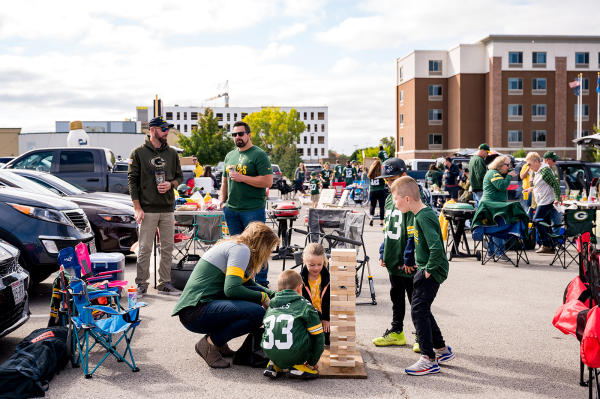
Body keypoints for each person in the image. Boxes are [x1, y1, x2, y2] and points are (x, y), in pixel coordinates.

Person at [172, 222, 279, 369]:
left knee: (253, 306)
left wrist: (274, 295)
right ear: (262, 244)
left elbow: (247, 284)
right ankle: (210, 344)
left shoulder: (237, 246)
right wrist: (263, 297)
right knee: (257, 313)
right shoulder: (241, 250)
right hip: (195, 311)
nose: (269, 254)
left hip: (198, 308)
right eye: (270, 249)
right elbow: (232, 289)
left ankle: (219, 343)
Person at [390, 176, 454, 376]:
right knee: (422, 308)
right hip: (427, 268)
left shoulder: (424, 217)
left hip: (431, 270)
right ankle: (442, 350)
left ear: (407, 199)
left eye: (396, 199)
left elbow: (437, 247)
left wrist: (427, 271)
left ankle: (428, 358)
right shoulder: (419, 215)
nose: (394, 203)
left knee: (418, 311)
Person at [128, 116, 183, 297]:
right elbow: (132, 181)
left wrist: (171, 184)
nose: (167, 132)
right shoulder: (139, 153)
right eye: (163, 129)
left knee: (167, 247)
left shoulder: (172, 153)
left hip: (167, 208)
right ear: (152, 130)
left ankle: (164, 283)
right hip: (148, 208)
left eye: (168, 129)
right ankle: (142, 284)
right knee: (144, 248)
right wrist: (137, 207)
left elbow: (180, 177)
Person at [372, 158, 419, 352]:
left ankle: (420, 334)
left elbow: (413, 228)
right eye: (387, 180)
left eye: (393, 179)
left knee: (414, 299)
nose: (389, 183)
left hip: (406, 256)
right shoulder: (391, 196)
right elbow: (390, 226)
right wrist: (384, 250)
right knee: (396, 295)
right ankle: (397, 331)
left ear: (404, 176)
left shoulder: (411, 194)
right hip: (393, 253)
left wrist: (410, 256)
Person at [221, 121, 273, 286]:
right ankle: (243, 281)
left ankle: (262, 282)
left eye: (240, 134)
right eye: (234, 134)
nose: (237, 137)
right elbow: (224, 181)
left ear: (249, 135)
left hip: (253, 210)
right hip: (232, 210)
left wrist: (243, 178)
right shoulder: (230, 155)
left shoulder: (258, 155)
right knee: (237, 248)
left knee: (258, 247)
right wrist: (222, 202)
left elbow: (268, 181)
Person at [261, 269, 325, 380]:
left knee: (278, 330)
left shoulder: (271, 305)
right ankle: (298, 366)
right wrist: (312, 361)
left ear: (279, 289)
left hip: (269, 352)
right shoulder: (305, 305)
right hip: (295, 353)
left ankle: (274, 364)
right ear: (300, 288)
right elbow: (319, 338)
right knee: (313, 331)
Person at [523, 152, 561, 254]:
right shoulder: (538, 171)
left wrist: (557, 198)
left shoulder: (545, 171)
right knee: (546, 223)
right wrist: (530, 189)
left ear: (536, 161)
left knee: (537, 221)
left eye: (529, 164)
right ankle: (551, 246)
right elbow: (541, 185)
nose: (529, 167)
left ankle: (546, 245)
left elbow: (555, 185)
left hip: (547, 201)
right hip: (542, 200)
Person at [481, 155, 517, 260]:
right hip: (492, 206)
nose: (509, 167)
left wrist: (507, 175)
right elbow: (502, 186)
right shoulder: (493, 173)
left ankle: (491, 252)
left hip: (493, 205)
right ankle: (499, 253)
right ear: (500, 165)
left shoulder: (495, 173)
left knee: (493, 229)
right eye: (507, 165)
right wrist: (509, 176)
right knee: (498, 229)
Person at [300, 243, 330, 345]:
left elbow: (329, 301)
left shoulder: (327, 278)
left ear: (323, 262)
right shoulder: (300, 280)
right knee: (308, 342)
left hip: (323, 315)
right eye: (312, 265)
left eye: (319, 264)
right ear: (304, 262)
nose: (316, 268)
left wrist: (326, 318)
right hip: (308, 316)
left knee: (327, 340)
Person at [367, 159, 386, 226]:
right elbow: (383, 182)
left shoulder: (370, 172)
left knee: (372, 205)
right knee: (381, 207)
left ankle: (371, 217)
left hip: (372, 191)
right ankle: (381, 222)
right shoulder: (381, 172)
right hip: (380, 190)